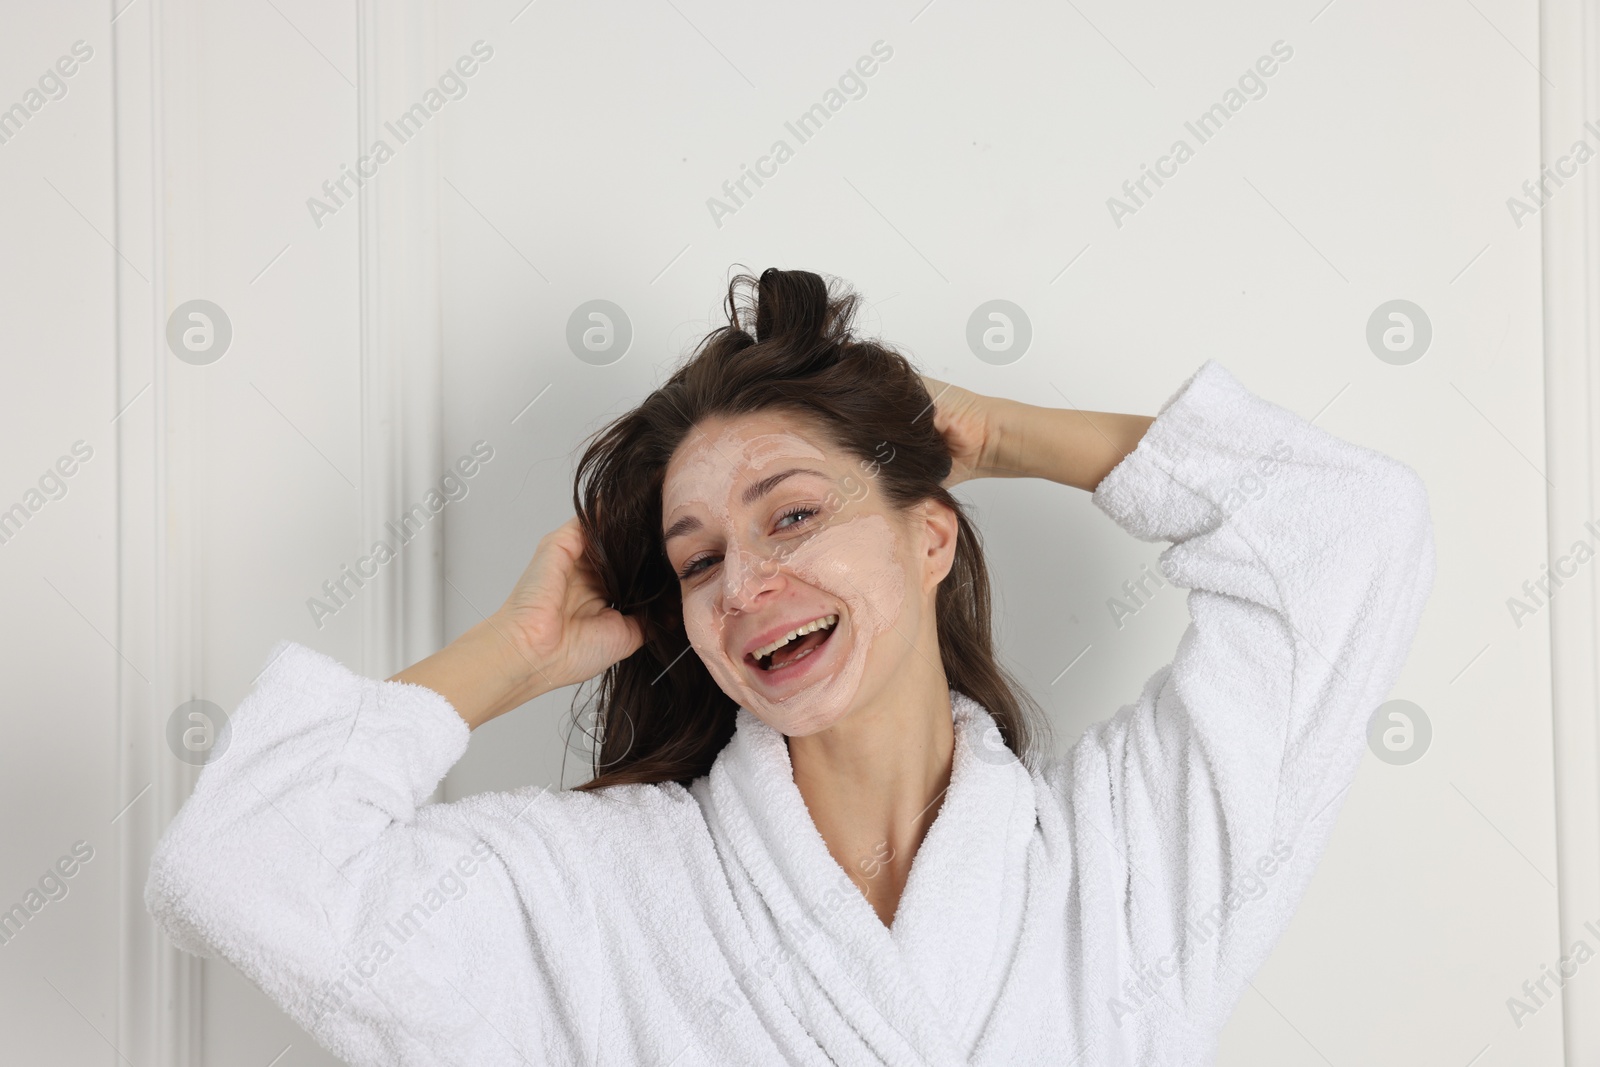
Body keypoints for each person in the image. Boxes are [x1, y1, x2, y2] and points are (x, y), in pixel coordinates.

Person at [145, 268, 1435, 1066]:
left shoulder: (1124, 863)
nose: (746, 582)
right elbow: (250, 864)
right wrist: (516, 653)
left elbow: (1346, 534)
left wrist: (994, 431)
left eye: (795, 514)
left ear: (931, 536)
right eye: (697, 561)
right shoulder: (604, 899)